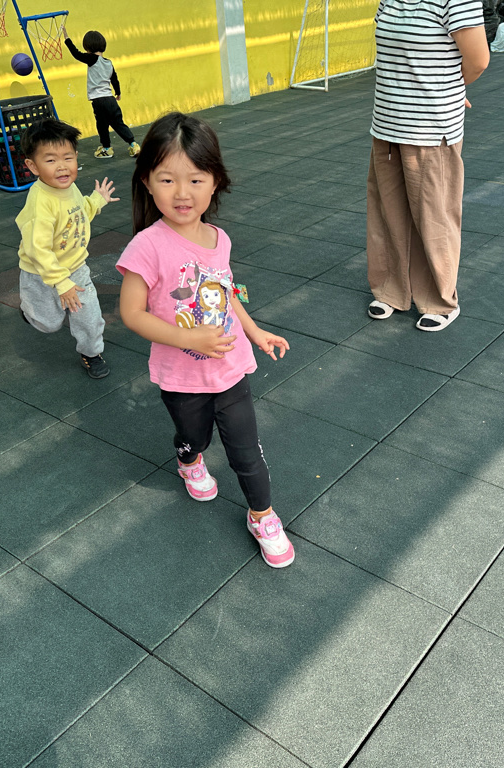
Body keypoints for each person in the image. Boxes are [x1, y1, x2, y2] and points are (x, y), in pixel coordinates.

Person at [116, 112, 295, 569]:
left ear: (215, 182)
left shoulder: (220, 239)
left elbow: (226, 291)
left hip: (229, 367)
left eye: (195, 179)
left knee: (246, 450)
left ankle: (263, 515)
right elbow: (130, 313)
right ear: (147, 182)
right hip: (182, 376)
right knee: (193, 436)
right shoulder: (147, 247)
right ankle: (188, 460)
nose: (182, 192)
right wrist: (187, 336)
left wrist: (254, 330)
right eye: (167, 179)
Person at [366, 0, 490, 332]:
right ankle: (392, 290)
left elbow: (478, 60)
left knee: (434, 217)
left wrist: (453, 89)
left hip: (431, 129)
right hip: (387, 124)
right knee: (388, 213)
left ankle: (439, 300)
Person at [16, 118, 118, 379]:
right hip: (41, 274)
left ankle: (91, 353)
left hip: (76, 269)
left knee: (88, 315)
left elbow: (77, 216)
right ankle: (30, 312)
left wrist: (96, 201)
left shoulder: (68, 186)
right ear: (32, 166)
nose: (62, 167)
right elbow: (37, 249)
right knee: (48, 324)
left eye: (68, 158)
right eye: (51, 160)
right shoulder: (41, 203)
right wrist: (60, 282)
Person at [62, 26, 141, 160]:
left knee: (102, 125)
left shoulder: (91, 59)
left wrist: (67, 38)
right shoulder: (108, 63)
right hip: (110, 99)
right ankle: (133, 144)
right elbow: (114, 79)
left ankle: (106, 148)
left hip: (99, 100)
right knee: (118, 123)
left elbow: (76, 54)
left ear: (88, 48)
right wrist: (118, 93)